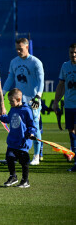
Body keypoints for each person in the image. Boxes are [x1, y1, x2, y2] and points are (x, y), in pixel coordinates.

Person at [2, 38, 45, 165]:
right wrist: (2, 93)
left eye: (20, 48)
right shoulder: (14, 62)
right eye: (17, 49)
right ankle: (13, 155)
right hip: (18, 101)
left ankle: (36, 156)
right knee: (15, 127)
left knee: (35, 127)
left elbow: (41, 81)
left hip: (33, 101)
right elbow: (10, 78)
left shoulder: (36, 62)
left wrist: (38, 96)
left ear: (27, 47)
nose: (18, 51)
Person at [0, 88, 36, 188]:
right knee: (9, 157)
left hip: (22, 142)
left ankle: (25, 180)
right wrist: (0, 117)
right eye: (9, 101)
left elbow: (32, 125)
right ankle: (13, 176)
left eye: (11, 101)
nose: (10, 103)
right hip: (12, 141)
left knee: (24, 162)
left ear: (19, 99)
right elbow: (9, 119)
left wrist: (31, 133)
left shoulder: (26, 110)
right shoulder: (13, 108)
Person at [53, 43, 76, 171]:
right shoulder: (65, 66)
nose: (73, 55)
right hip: (69, 104)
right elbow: (61, 85)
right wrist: (56, 101)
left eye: (75, 52)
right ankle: (73, 154)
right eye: (71, 52)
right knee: (71, 132)